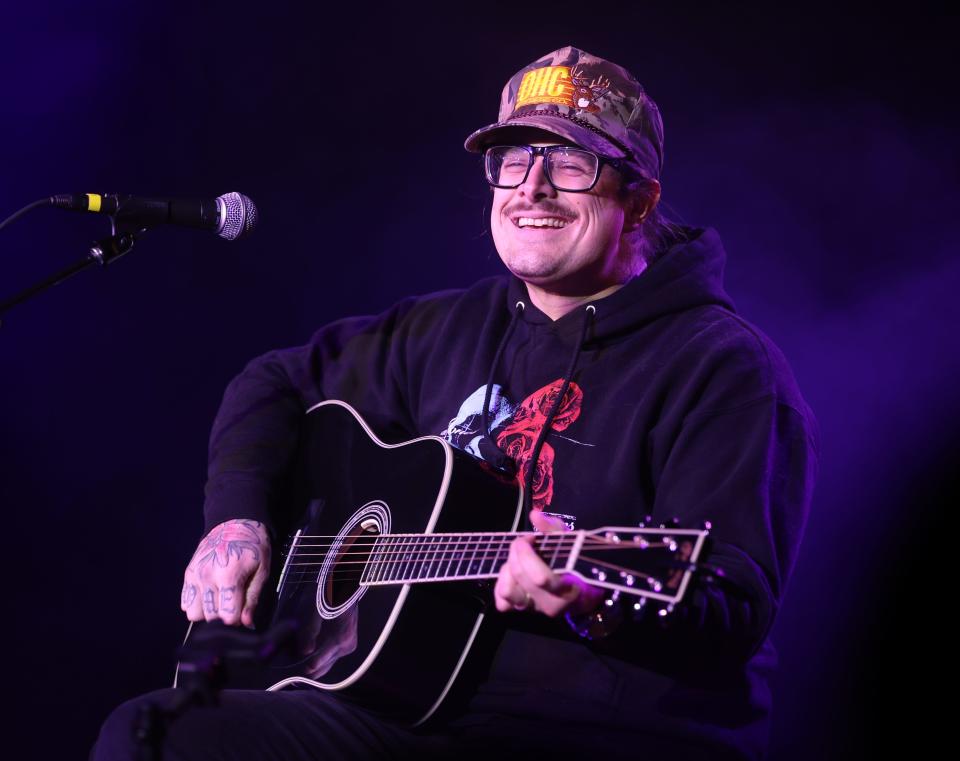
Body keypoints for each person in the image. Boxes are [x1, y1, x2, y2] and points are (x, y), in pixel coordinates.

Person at [93, 45, 818, 760]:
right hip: (407, 707)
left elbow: (731, 598)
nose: (532, 188)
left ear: (638, 199)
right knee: (156, 731)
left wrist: (593, 601)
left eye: (570, 161)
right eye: (513, 160)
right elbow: (272, 383)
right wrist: (238, 519)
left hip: (599, 733)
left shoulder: (724, 367)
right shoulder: (448, 326)